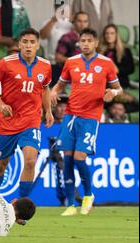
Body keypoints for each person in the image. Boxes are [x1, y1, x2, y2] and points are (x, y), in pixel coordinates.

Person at [50, 28, 122, 216]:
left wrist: (111, 93)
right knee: (67, 159)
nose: (86, 44)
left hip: (90, 117)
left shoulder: (106, 64)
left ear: (96, 43)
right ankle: (71, 204)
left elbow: (118, 88)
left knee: (79, 158)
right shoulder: (71, 62)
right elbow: (60, 84)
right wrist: (54, 92)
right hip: (70, 116)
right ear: (79, 43)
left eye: (89, 40)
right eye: (83, 41)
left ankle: (88, 195)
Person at [0, 28, 54, 199]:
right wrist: (0, 104)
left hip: (31, 121)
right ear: (19, 44)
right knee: (1, 165)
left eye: (32, 42)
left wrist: (49, 111)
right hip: (7, 122)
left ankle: (21, 205)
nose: (28, 46)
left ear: (38, 45)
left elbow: (45, 89)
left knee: (30, 161)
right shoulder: (6, 63)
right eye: (25, 42)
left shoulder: (45, 66)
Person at [98, 24, 135, 91]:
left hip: (121, 84)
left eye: (112, 33)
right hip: (102, 85)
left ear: (116, 35)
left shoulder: (125, 50)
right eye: (107, 33)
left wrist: (118, 70)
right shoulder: (99, 51)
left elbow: (131, 69)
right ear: (104, 35)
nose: (109, 36)